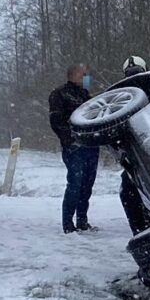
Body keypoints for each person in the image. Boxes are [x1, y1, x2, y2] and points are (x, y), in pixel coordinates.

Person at [49, 63, 98, 233]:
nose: (86, 77)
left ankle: (82, 220)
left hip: (91, 145)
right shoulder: (59, 94)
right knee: (75, 184)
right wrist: (70, 140)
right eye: (83, 74)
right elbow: (56, 121)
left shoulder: (86, 94)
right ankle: (68, 223)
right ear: (73, 75)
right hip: (74, 147)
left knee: (87, 185)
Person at [118, 56, 150, 235]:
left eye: (136, 74)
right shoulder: (121, 98)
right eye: (129, 74)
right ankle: (142, 234)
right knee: (128, 191)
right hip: (136, 155)